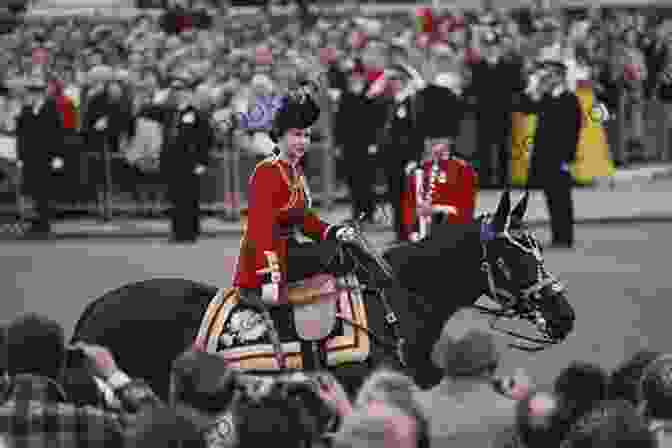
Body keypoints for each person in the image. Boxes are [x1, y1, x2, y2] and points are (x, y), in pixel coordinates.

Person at [232, 82, 358, 306]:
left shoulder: (294, 170)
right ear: (280, 137)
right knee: (339, 258)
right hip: (266, 263)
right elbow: (261, 229)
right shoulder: (267, 172)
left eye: (307, 136)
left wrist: (333, 232)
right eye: (297, 135)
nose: (303, 142)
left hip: (290, 252)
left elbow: (305, 220)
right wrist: (269, 277)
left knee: (347, 251)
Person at [0, 313, 163, 445]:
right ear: (61, 367)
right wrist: (113, 374)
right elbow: (164, 430)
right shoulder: (99, 425)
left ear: (5, 366)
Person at [517, 61, 582, 249]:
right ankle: (557, 235)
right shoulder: (545, 97)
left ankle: (566, 236)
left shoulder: (570, 99)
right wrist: (532, 87)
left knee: (562, 197)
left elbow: (573, 132)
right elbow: (525, 108)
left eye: (552, 75)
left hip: (560, 157)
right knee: (551, 197)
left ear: (561, 77)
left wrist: (568, 158)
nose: (548, 79)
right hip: (544, 155)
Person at [160, 74, 214, 243]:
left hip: (190, 162)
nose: (178, 94)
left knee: (190, 199)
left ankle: (189, 232)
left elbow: (206, 139)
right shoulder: (170, 112)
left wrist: (202, 162)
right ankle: (177, 232)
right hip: (173, 162)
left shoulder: (196, 113)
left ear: (188, 93)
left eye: (181, 90)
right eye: (174, 91)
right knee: (175, 198)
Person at [400, 134, 478, 242]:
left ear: (449, 141)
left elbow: (466, 209)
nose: (433, 144)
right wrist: (411, 232)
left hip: (450, 235)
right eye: (430, 140)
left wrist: (436, 209)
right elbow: (408, 204)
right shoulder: (418, 170)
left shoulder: (463, 169)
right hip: (420, 236)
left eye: (438, 139)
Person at [15, 76, 64, 238]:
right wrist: (20, 157)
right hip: (30, 157)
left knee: (44, 191)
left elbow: (58, 134)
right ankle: (36, 223)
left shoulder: (52, 108)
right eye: (31, 92)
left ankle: (44, 224)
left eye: (37, 92)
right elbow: (21, 136)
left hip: (47, 155)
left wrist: (58, 156)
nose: (33, 95)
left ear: (43, 94)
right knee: (33, 190)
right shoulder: (26, 110)